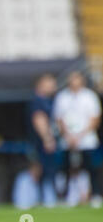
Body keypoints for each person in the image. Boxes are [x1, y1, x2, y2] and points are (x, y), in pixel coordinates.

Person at [53, 71, 103, 208]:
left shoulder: (89, 97)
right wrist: (69, 136)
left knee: (92, 168)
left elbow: (95, 118)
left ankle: (96, 195)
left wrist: (80, 135)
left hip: (87, 140)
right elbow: (59, 119)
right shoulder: (62, 97)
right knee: (65, 169)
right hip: (68, 140)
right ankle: (64, 197)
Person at [28, 74, 58, 207]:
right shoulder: (38, 101)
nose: (53, 86)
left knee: (44, 169)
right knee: (42, 169)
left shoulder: (48, 100)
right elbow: (39, 119)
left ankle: (44, 198)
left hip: (42, 141)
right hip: (40, 142)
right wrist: (47, 138)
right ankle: (44, 198)